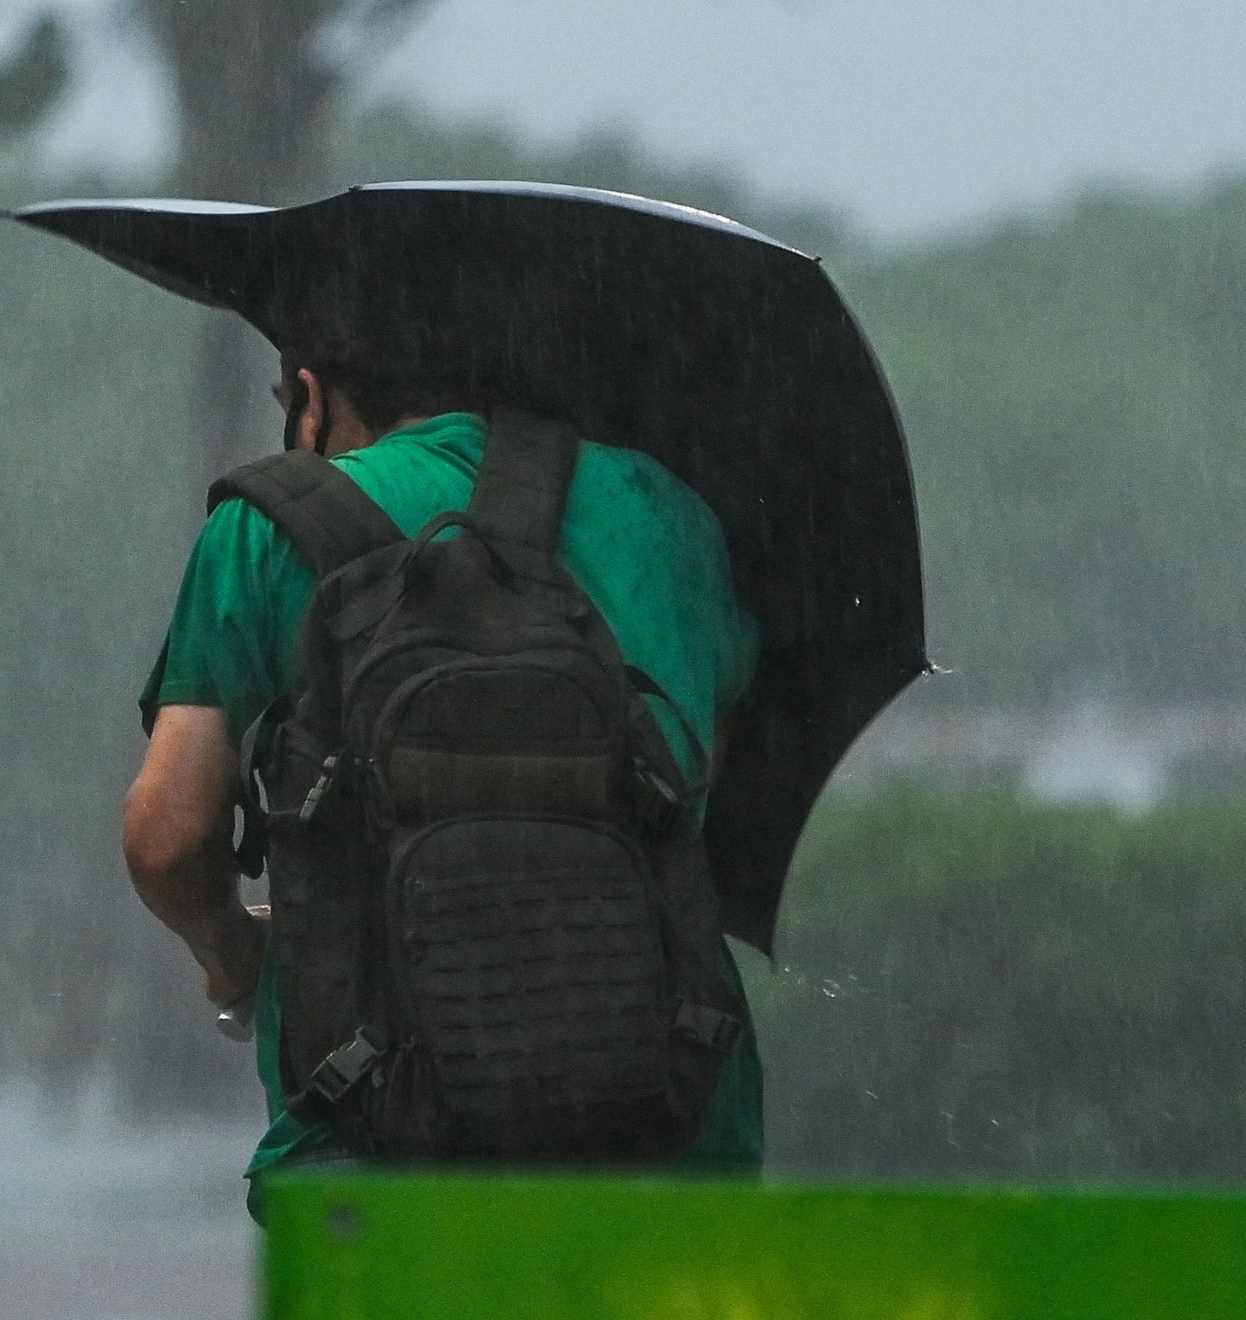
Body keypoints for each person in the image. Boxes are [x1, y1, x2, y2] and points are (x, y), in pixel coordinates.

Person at [122, 348, 766, 1213]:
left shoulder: (262, 526)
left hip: (375, 1159)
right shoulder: (668, 515)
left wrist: (236, 958)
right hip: (666, 1139)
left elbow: (168, 839)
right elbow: (694, 786)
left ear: (309, 399)